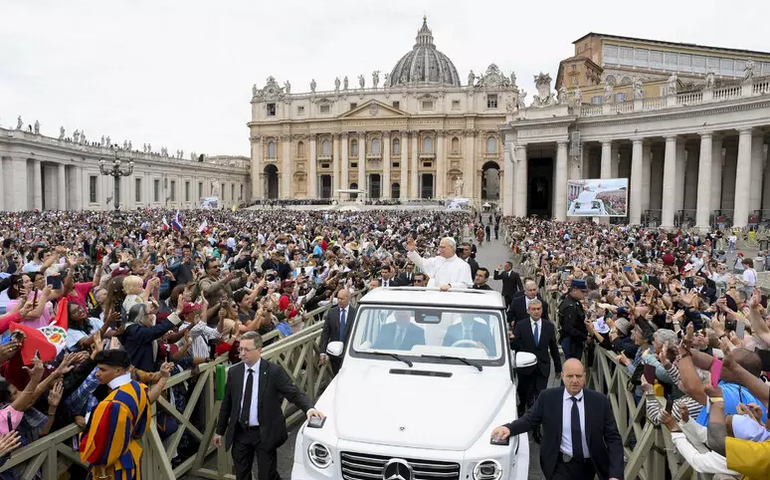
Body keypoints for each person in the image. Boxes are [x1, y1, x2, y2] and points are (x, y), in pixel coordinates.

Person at [214, 331, 324, 480]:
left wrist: (309, 408)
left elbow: (293, 393)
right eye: (240, 349)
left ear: (259, 351)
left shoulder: (273, 371)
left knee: (266, 475)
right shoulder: (234, 372)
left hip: (264, 433)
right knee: (241, 475)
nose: (242, 353)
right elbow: (227, 403)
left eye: (247, 350)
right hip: (240, 433)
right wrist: (219, 431)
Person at [491, 359, 623, 480]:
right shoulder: (548, 398)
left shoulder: (599, 401)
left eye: (579, 376)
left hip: (590, 464)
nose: (575, 380)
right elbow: (530, 420)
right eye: (570, 376)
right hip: (560, 463)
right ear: (563, 376)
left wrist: (616, 474)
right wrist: (509, 428)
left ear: (585, 376)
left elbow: (613, 438)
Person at [79, 350, 173, 480]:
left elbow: (99, 453)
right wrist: (163, 379)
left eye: (102, 369)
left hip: (112, 470)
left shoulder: (111, 404)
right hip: (129, 459)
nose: (97, 373)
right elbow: (148, 400)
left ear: (118, 371)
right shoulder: (137, 387)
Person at [511, 299, 562, 422]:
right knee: (524, 393)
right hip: (525, 367)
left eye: (539, 309)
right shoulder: (521, 325)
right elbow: (514, 345)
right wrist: (512, 339)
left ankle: (535, 425)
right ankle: (522, 407)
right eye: (533, 309)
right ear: (528, 310)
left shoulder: (549, 326)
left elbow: (554, 348)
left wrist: (558, 368)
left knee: (539, 397)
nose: (536, 311)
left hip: (543, 367)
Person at [405, 237, 472, 290]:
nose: (440, 250)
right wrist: (412, 251)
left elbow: (465, 286)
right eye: (440, 247)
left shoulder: (463, 265)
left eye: (443, 247)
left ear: (451, 248)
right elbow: (422, 263)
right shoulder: (437, 260)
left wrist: (450, 286)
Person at [319, 289, 357, 375]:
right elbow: (325, 333)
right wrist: (322, 352)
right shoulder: (332, 312)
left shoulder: (355, 313)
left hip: (350, 354)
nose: (339, 301)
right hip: (334, 355)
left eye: (342, 299)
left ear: (348, 298)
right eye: (338, 298)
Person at [558, 279, 588, 361]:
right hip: (571, 342)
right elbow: (569, 328)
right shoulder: (570, 306)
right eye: (582, 291)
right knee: (572, 366)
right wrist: (584, 337)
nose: (584, 294)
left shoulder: (574, 302)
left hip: (574, 341)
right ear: (574, 290)